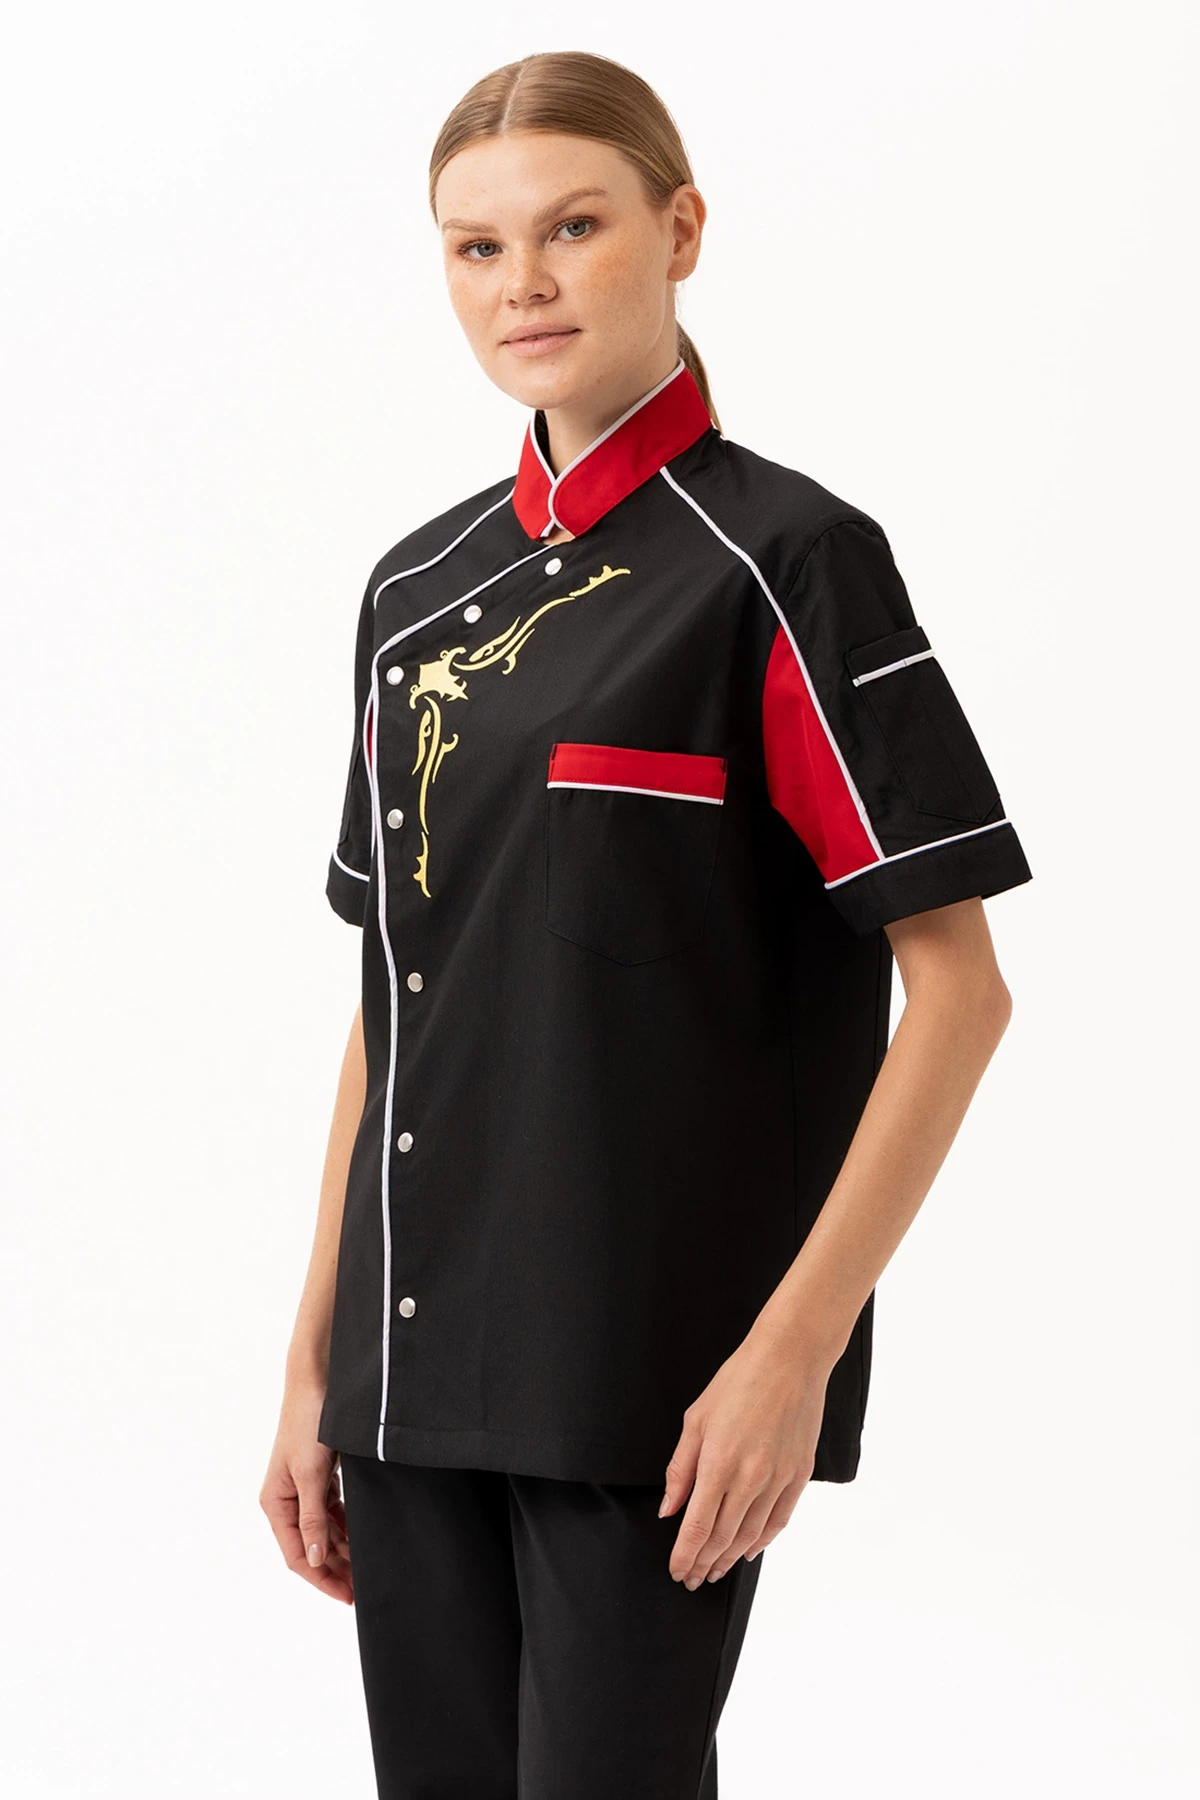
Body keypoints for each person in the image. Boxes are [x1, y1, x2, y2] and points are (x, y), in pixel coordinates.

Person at [259, 48, 1032, 1800]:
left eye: (573, 227)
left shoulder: (791, 563)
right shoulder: (413, 594)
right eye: (475, 248)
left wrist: (792, 1355)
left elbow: (961, 994)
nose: (521, 285)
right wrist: (314, 1362)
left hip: (646, 1374)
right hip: (406, 1362)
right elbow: (395, 999)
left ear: (680, 231)